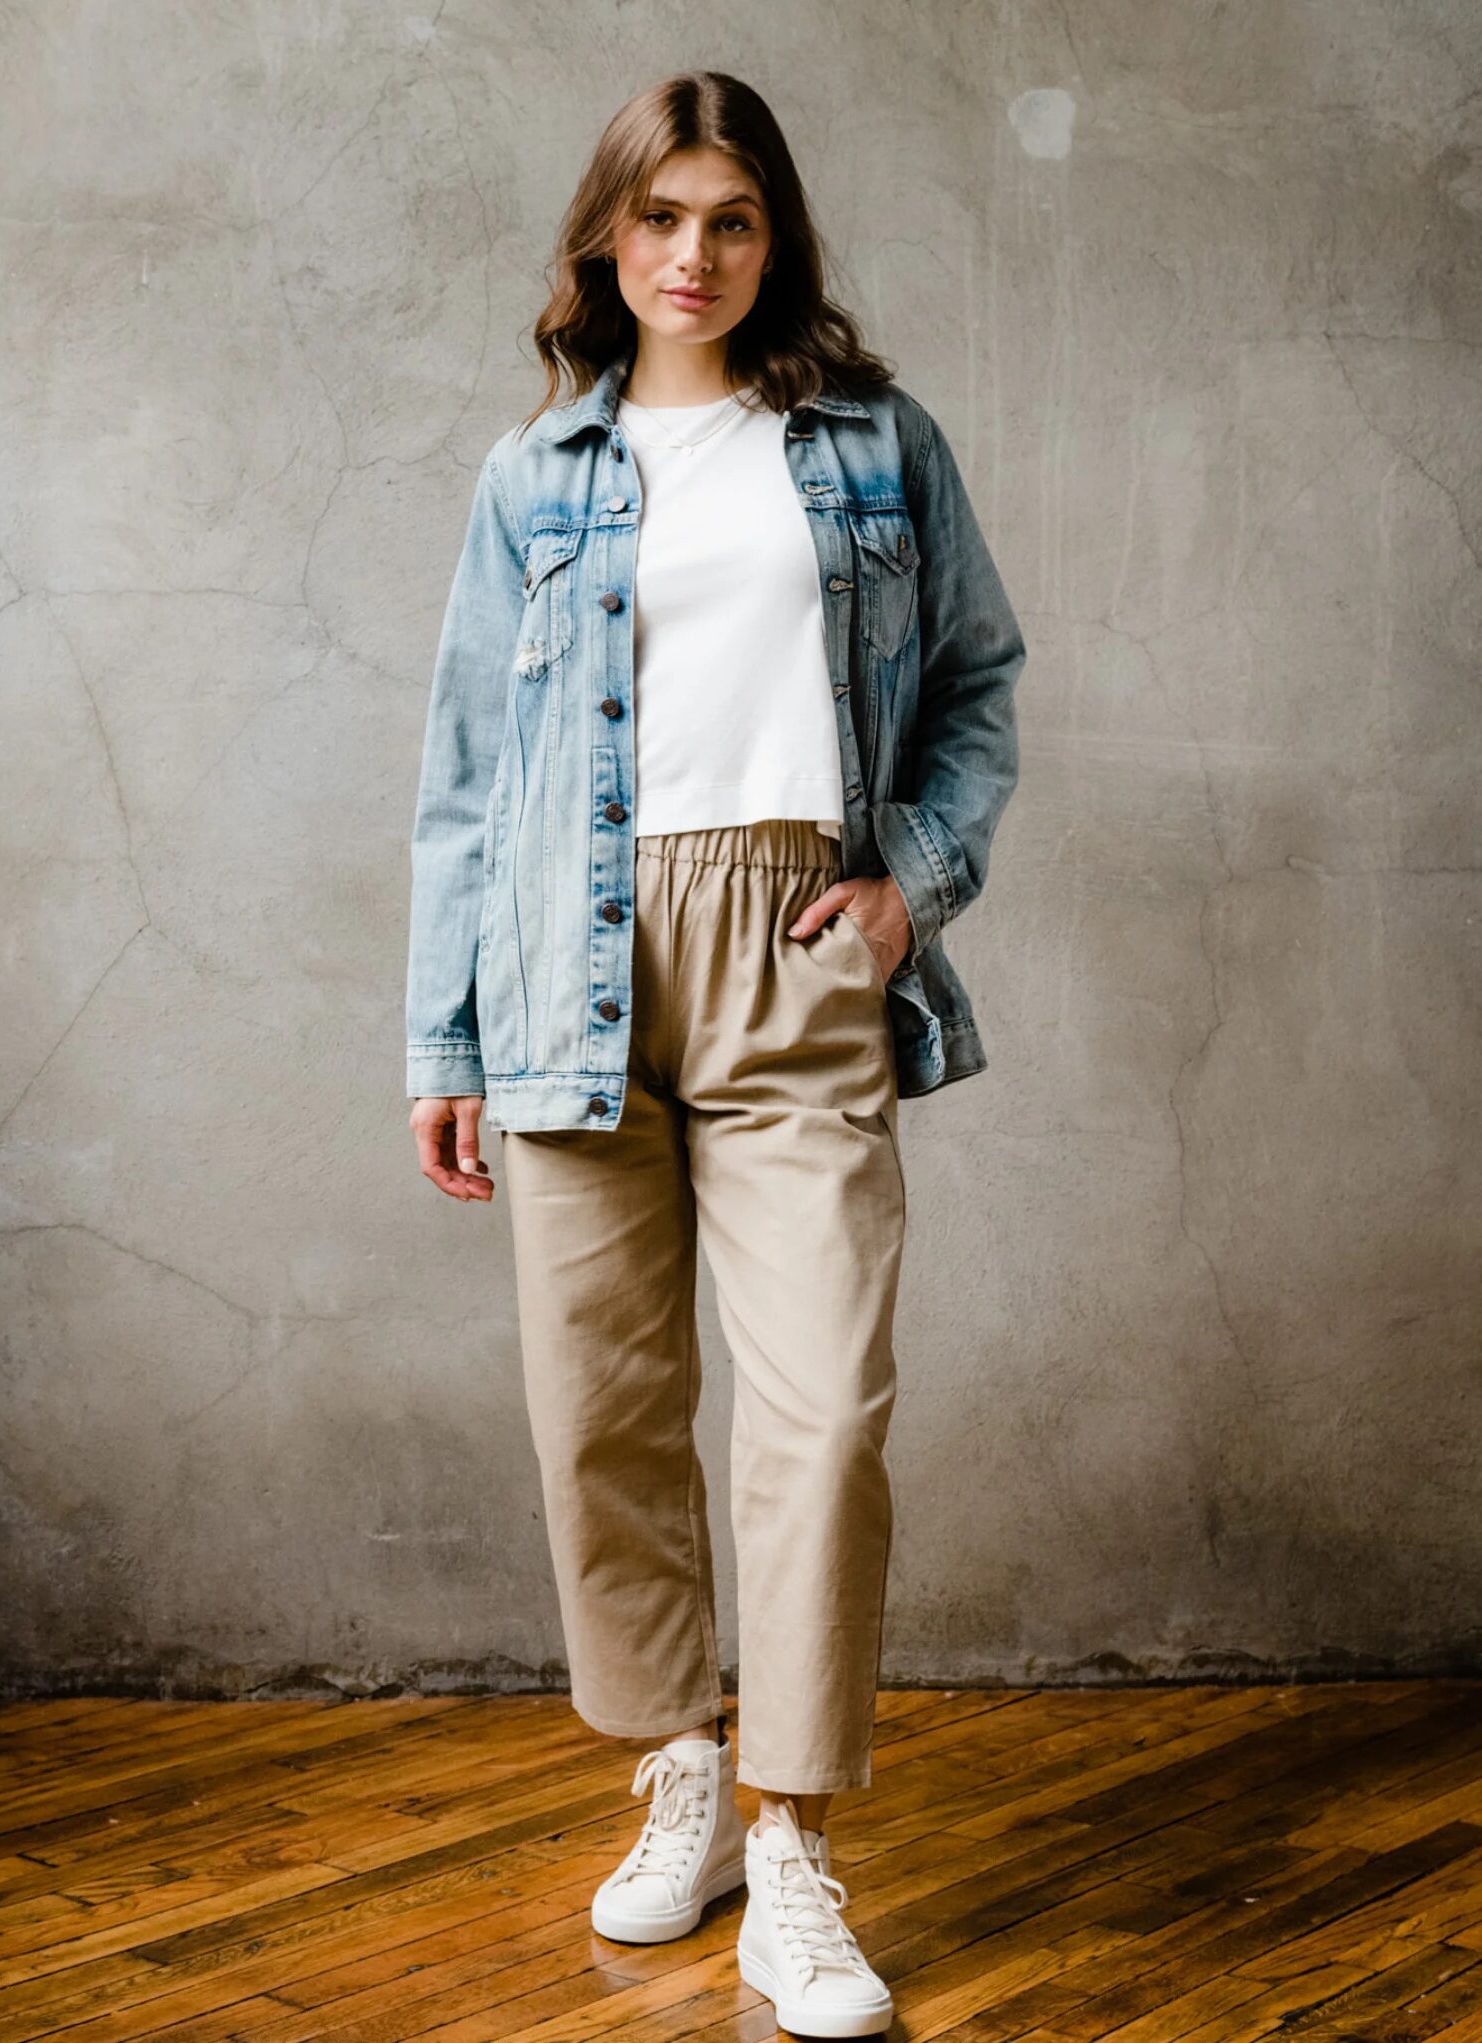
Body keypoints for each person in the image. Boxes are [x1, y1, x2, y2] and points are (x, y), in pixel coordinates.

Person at [406, 69, 1025, 2038]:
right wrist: (444, 1024)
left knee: (821, 1409)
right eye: (658, 216)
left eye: (731, 218)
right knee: (601, 1411)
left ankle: (797, 1841)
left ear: (778, 239)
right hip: (565, 969)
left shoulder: (867, 445)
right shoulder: (537, 474)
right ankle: (679, 1767)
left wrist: (907, 885)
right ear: (604, 234)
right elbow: (464, 781)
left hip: (790, 956)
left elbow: (977, 689)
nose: (692, 254)